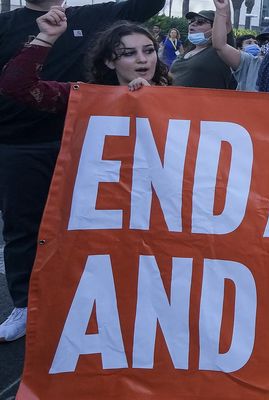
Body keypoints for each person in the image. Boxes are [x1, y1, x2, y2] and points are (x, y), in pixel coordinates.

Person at [0, 0, 164, 342]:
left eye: (148, 51)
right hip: (28, 149)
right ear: (109, 60)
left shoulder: (181, 99)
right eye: (130, 53)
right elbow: (17, 85)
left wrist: (157, 102)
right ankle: (29, 307)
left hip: (137, 205)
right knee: (29, 228)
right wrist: (45, 39)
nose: (142, 60)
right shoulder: (86, 97)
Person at [171, 10, 237, 89]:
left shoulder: (220, 51)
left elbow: (226, 23)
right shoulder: (186, 52)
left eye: (200, 22)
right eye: (191, 21)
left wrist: (222, 8)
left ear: (216, 28)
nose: (193, 24)